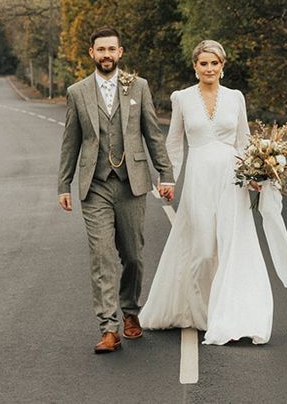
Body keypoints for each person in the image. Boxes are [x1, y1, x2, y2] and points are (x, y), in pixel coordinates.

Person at [139, 40, 287, 345]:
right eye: (203, 63)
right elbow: (174, 143)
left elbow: (243, 139)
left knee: (231, 248)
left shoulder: (235, 98)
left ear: (222, 66)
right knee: (202, 250)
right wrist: (168, 179)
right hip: (199, 179)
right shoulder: (183, 99)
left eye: (214, 63)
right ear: (195, 66)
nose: (209, 69)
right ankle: (199, 311)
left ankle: (226, 315)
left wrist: (254, 174)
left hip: (232, 181)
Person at [57, 27, 175, 354]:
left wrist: (165, 174)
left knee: (134, 255)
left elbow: (153, 134)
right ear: (91, 53)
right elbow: (71, 142)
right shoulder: (77, 92)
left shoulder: (138, 87)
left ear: (120, 52)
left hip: (131, 183)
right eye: (101, 50)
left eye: (112, 49)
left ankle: (130, 310)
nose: (106, 54)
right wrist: (63, 184)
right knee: (102, 255)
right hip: (94, 185)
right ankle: (108, 327)